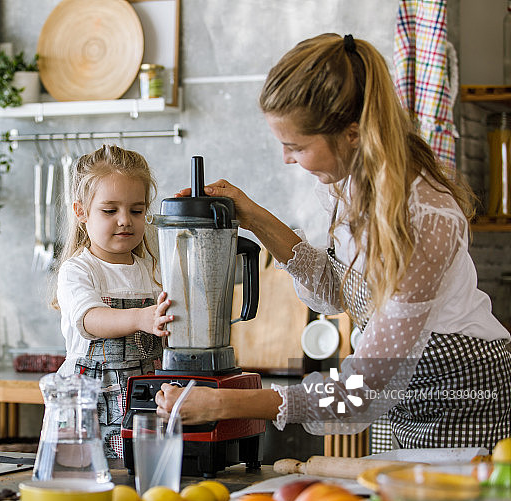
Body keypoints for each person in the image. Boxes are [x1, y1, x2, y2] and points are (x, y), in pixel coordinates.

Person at [155, 33, 511, 450]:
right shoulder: (347, 185)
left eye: (296, 147)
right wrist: (251, 214)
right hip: (399, 398)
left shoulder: (425, 217)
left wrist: (222, 404)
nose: (287, 159)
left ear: (352, 133)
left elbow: (358, 397)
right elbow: (335, 291)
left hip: (463, 400)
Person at [53, 144, 173, 458]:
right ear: (81, 212)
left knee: (141, 470)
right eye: (110, 210)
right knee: (92, 476)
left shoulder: (152, 268)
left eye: (136, 210)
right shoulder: (79, 270)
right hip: (91, 398)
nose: (125, 221)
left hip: (146, 393)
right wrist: (140, 318)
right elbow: (90, 319)